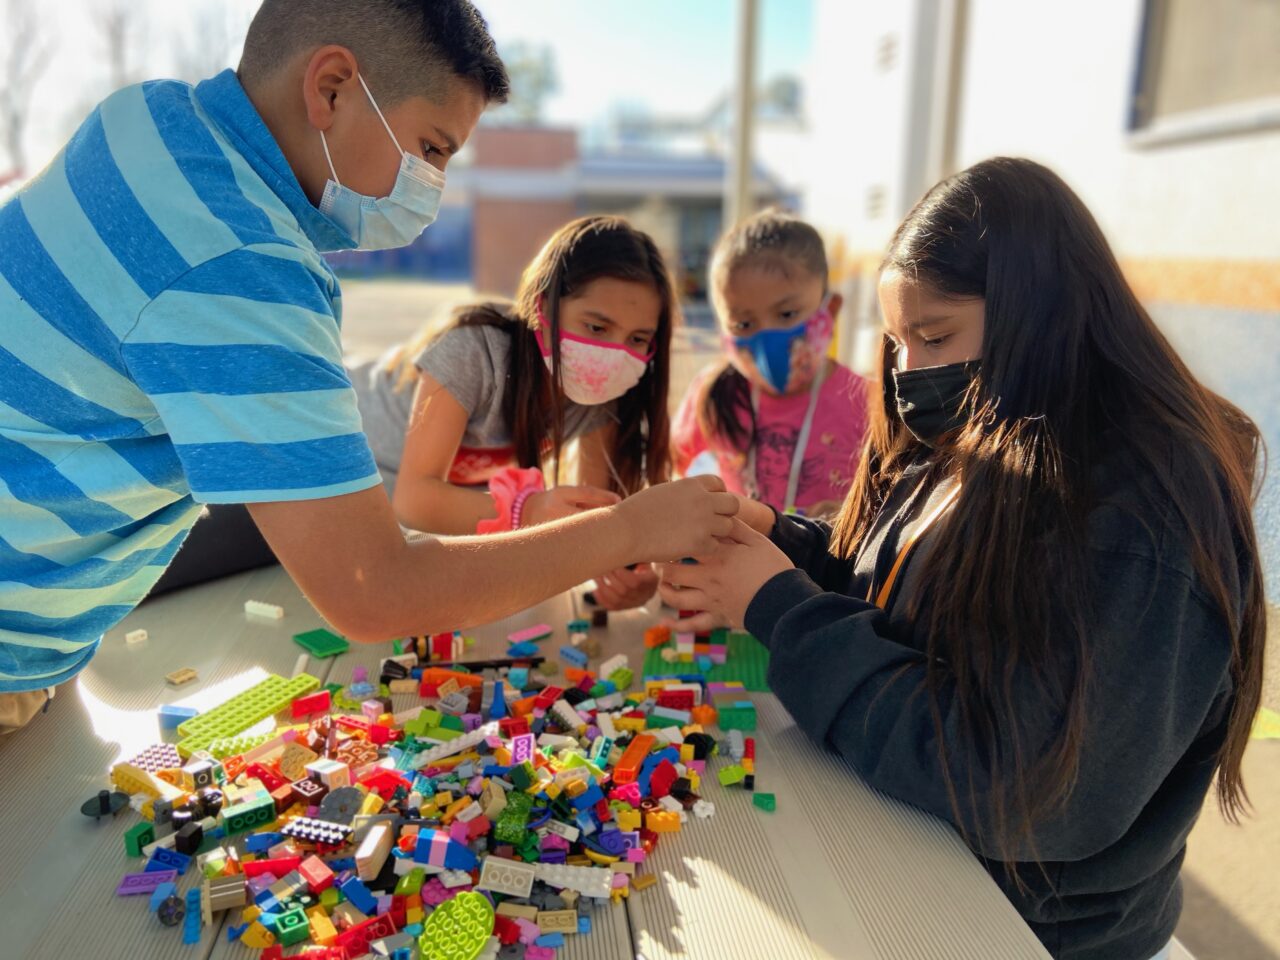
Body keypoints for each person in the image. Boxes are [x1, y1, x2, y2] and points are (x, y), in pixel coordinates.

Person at [0, 0, 738, 732]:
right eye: (432, 149)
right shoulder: (242, 264)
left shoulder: (149, 117)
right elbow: (373, 590)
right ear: (331, 88)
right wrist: (629, 531)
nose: (432, 189)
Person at [657, 158, 1265, 960]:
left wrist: (779, 606)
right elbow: (895, 592)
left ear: (1040, 314)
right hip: (912, 856)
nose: (909, 372)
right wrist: (782, 539)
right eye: (897, 342)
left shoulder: (1144, 514)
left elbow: (1032, 791)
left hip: (1028, 931)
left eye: (935, 335)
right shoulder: (979, 426)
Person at [349, 215, 677, 609]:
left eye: (637, 338)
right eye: (596, 327)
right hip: (326, 435)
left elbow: (586, 519)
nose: (613, 353)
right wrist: (528, 510)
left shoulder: (602, 398)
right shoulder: (475, 351)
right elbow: (414, 501)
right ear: (543, 308)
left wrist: (625, 578)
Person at [672, 210, 870, 518]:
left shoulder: (868, 404)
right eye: (743, 323)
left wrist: (851, 516)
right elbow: (673, 476)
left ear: (830, 309)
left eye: (787, 314)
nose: (766, 335)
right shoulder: (711, 395)